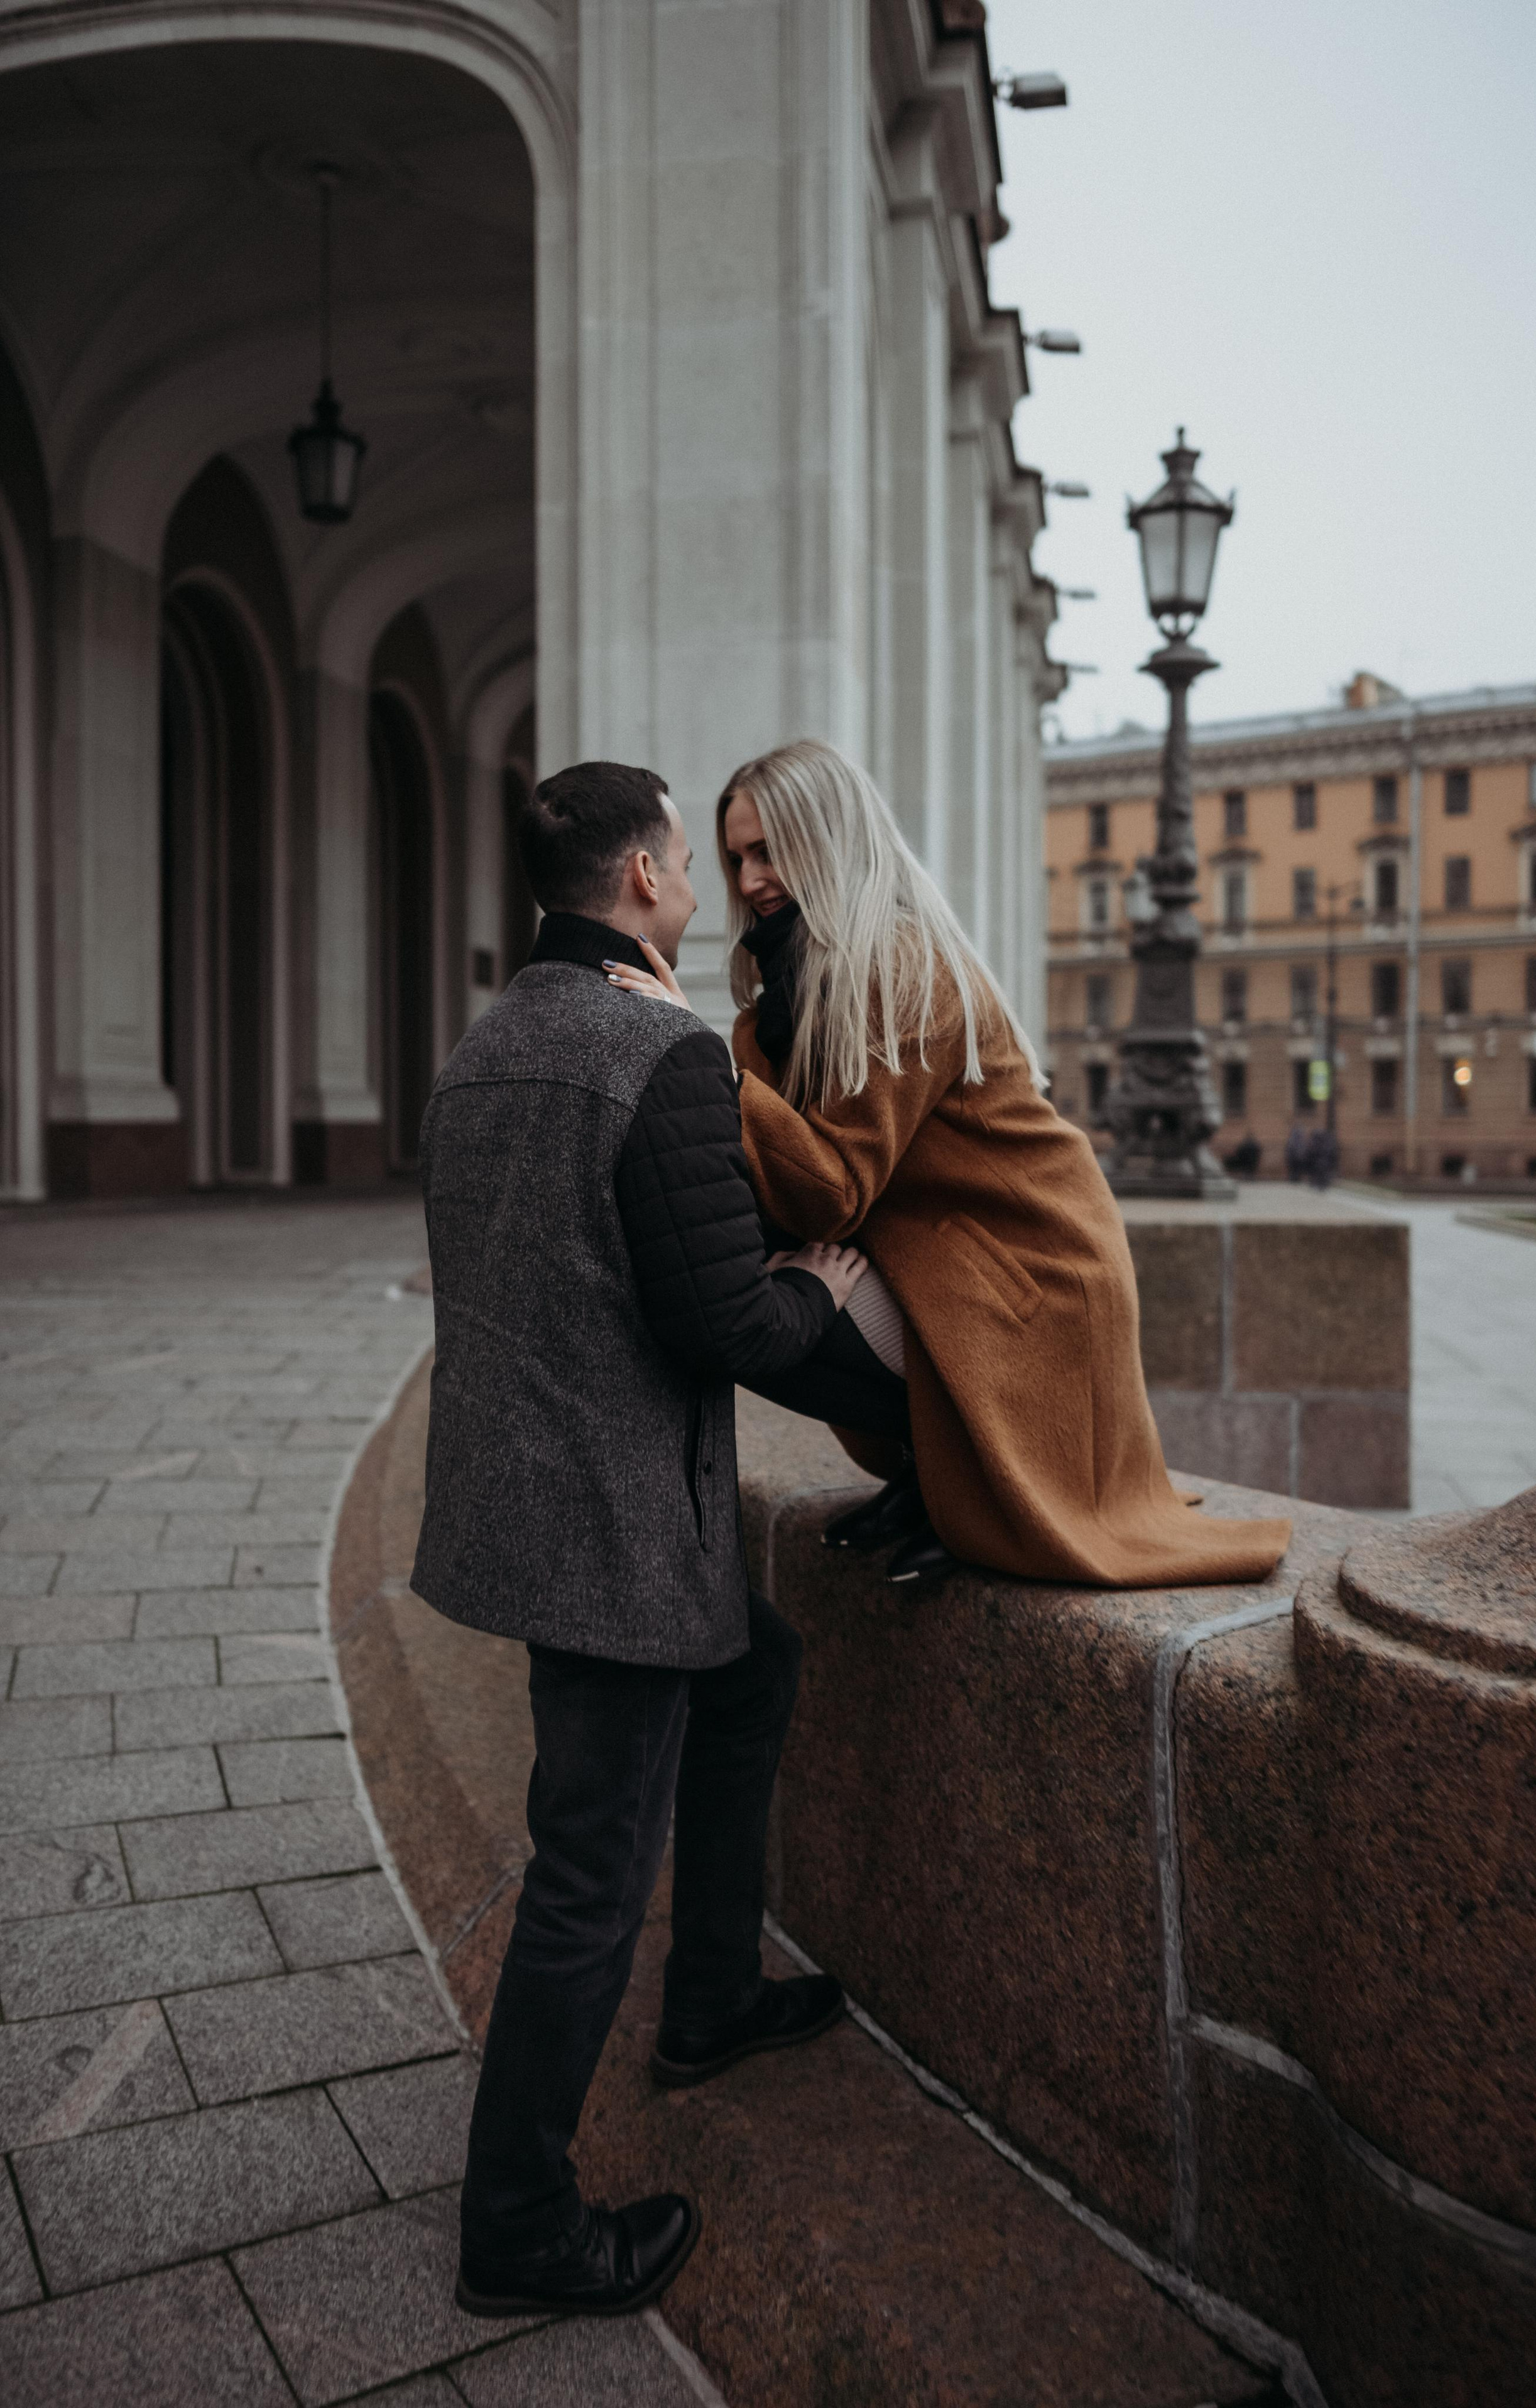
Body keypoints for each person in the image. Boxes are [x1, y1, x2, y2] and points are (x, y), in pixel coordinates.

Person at [411, 760, 881, 2323]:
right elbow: (723, 1323)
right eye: (684, 858)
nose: (697, 883)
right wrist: (815, 1285)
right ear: (634, 879)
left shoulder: (481, 1048)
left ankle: (713, 1995)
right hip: (613, 1533)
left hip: (521, 1512)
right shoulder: (658, 1051)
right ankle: (519, 2225)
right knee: (588, 1874)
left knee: (753, 1673)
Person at [607, 739, 1292, 1593]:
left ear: (830, 840)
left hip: (1026, 1272)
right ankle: (934, 1478)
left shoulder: (903, 971)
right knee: (715, 1283)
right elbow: (771, 1178)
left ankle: (956, 1488)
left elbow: (827, 1192)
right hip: (933, 1259)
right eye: (737, 857)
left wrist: (701, 1060)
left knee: (737, 1302)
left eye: (771, 850)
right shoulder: (773, 1005)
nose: (750, 881)